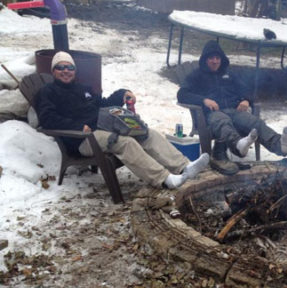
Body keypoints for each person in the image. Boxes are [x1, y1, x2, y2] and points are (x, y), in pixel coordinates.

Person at [35, 51, 209, 190]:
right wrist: (78, 126)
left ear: (74, 70)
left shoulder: (83, 89)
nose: (66, 71)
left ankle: (184, 167)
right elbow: (47, 119)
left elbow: (103, 104)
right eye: (60, 67)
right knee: (125, 142)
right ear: (53, 71)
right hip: (81, 138)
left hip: (103, 127)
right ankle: (164, 179)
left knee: (147, 134)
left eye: (69, 67)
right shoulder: (48, 92)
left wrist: (122, 93)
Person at [177, 40, 287, 175]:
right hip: (211, 115)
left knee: (254, 122)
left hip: (234, 111)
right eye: (211, 58)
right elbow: (182, 94)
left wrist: (246, 100)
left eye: (217, 58)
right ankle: (238, 145)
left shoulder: (229, 74)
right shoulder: (196, 76)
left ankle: (279, 145)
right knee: (223, 121)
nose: (215, 61)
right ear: (205, 59)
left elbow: (246, 90)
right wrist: (204, 100)